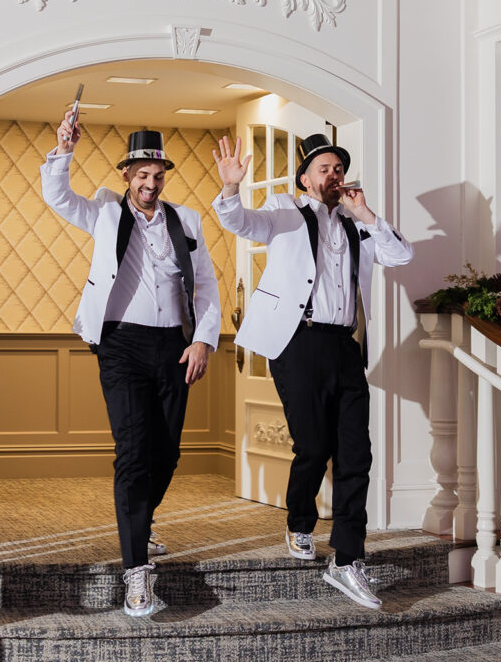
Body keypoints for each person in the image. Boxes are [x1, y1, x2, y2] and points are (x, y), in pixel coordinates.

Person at [212, 133, 413, 609]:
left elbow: (401, 255)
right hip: (296, 342)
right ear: (305, 178)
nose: (333, 175)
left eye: (338, 168)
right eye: (324, 168)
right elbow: (239, 221)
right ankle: (300, 522)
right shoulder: (284, 211)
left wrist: (367, 214)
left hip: (345, 345)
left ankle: (346, 559)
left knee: (355, 454)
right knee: (313, 445)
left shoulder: (354, 222)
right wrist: (230, 188)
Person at [41, 111, 221, 617]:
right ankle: (137, 574)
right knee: (134, 451)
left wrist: (203, 340)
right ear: (127, 176)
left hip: (175, 347)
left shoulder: (186, 220)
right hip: (119, 343)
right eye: (142, 175)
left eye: (158, 175)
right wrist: (64, 149)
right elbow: (58, 197)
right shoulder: (103, 211)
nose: (150, 183)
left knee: (167, 453)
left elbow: (204, 284)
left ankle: (141, 521)